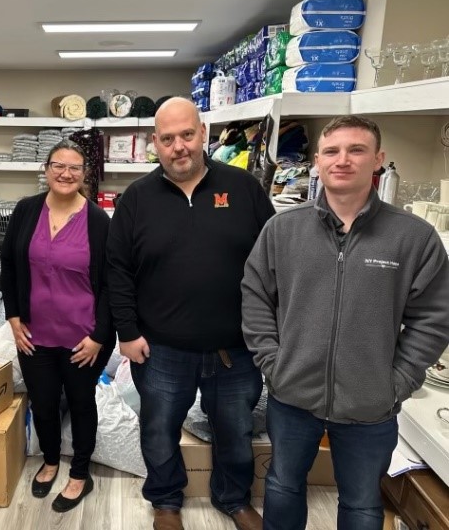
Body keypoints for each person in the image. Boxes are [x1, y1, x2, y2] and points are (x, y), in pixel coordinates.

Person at [242, 115, 449, 530]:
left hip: (371, 405)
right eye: (332, 151)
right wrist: (274, 364)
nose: (343, 160)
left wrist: (399, 380)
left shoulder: (413, 237)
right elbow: (256, 296)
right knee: (282, 485)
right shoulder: (282, 229)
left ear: (378, 160)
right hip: (292, 397)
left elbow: (434, 317)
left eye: (356, 150)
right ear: (317, 161)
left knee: (361, 504)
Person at [106, 97, 275, 530]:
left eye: (186, 135)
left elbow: (276, 261)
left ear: (203, 133)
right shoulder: (137, 199)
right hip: (161, 348)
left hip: (235, 348)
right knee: (159, 429)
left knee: (235, 430)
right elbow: (117, 270)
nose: (178, 146)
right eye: (167, 139)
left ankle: (233, 498)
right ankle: (165, 501)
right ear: (154, 143)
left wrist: (270, 332)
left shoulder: (244, 188)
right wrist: (127, 331)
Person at [0, 140, 115, 513]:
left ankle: (80, 473)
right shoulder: (26, 210)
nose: (66, 174)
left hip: (83, 339)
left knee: (81, 403)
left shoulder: (98, 221)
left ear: (85, 174)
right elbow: (9, 264)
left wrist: (99, 336)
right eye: (58, 166)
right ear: (46, 170)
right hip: (34, 336)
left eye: (74, 168)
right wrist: (13, 316)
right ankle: (50, 461)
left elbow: (112, 283)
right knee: (44, 402)